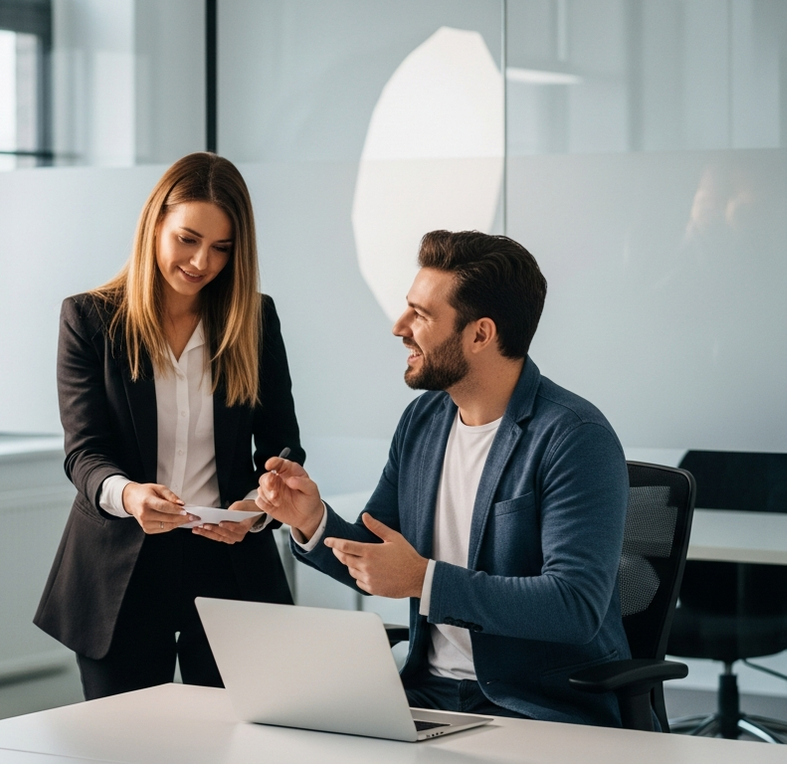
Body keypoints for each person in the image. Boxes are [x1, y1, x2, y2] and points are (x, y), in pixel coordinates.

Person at [257, 230, 632, 727]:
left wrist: (424, 580)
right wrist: (312, 520)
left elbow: (574, 604)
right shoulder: (424, 421)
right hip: (424, 695)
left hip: (533, 706)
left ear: (480, 334)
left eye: (422, 315)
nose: (399, 327)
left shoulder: (573, 437)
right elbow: (381, 553)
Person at [34, 152, 303, 700]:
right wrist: (130, 495)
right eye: (188, 238)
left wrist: (256, 507)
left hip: (229, 562)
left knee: (238, 744)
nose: (202, 261)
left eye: (222, 248)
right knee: (128, 746)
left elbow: (282, 446)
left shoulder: (254, 319)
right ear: (155, 223)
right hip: (121, 568)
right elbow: (84, 453)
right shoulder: (89, 320)